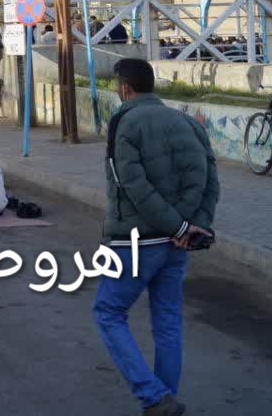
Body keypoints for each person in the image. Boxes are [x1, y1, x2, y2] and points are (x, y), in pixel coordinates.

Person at [92, 58, 218, 416]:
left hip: (136, 243)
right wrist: (193, 227)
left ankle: (153, 396)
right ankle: (165, 399)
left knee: (108, 312)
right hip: (177, 246)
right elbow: (210, 179)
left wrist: (178, 228)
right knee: (167, 322)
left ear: (125, 88)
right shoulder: (187, 123)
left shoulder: (124, 123)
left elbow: (132, 186)